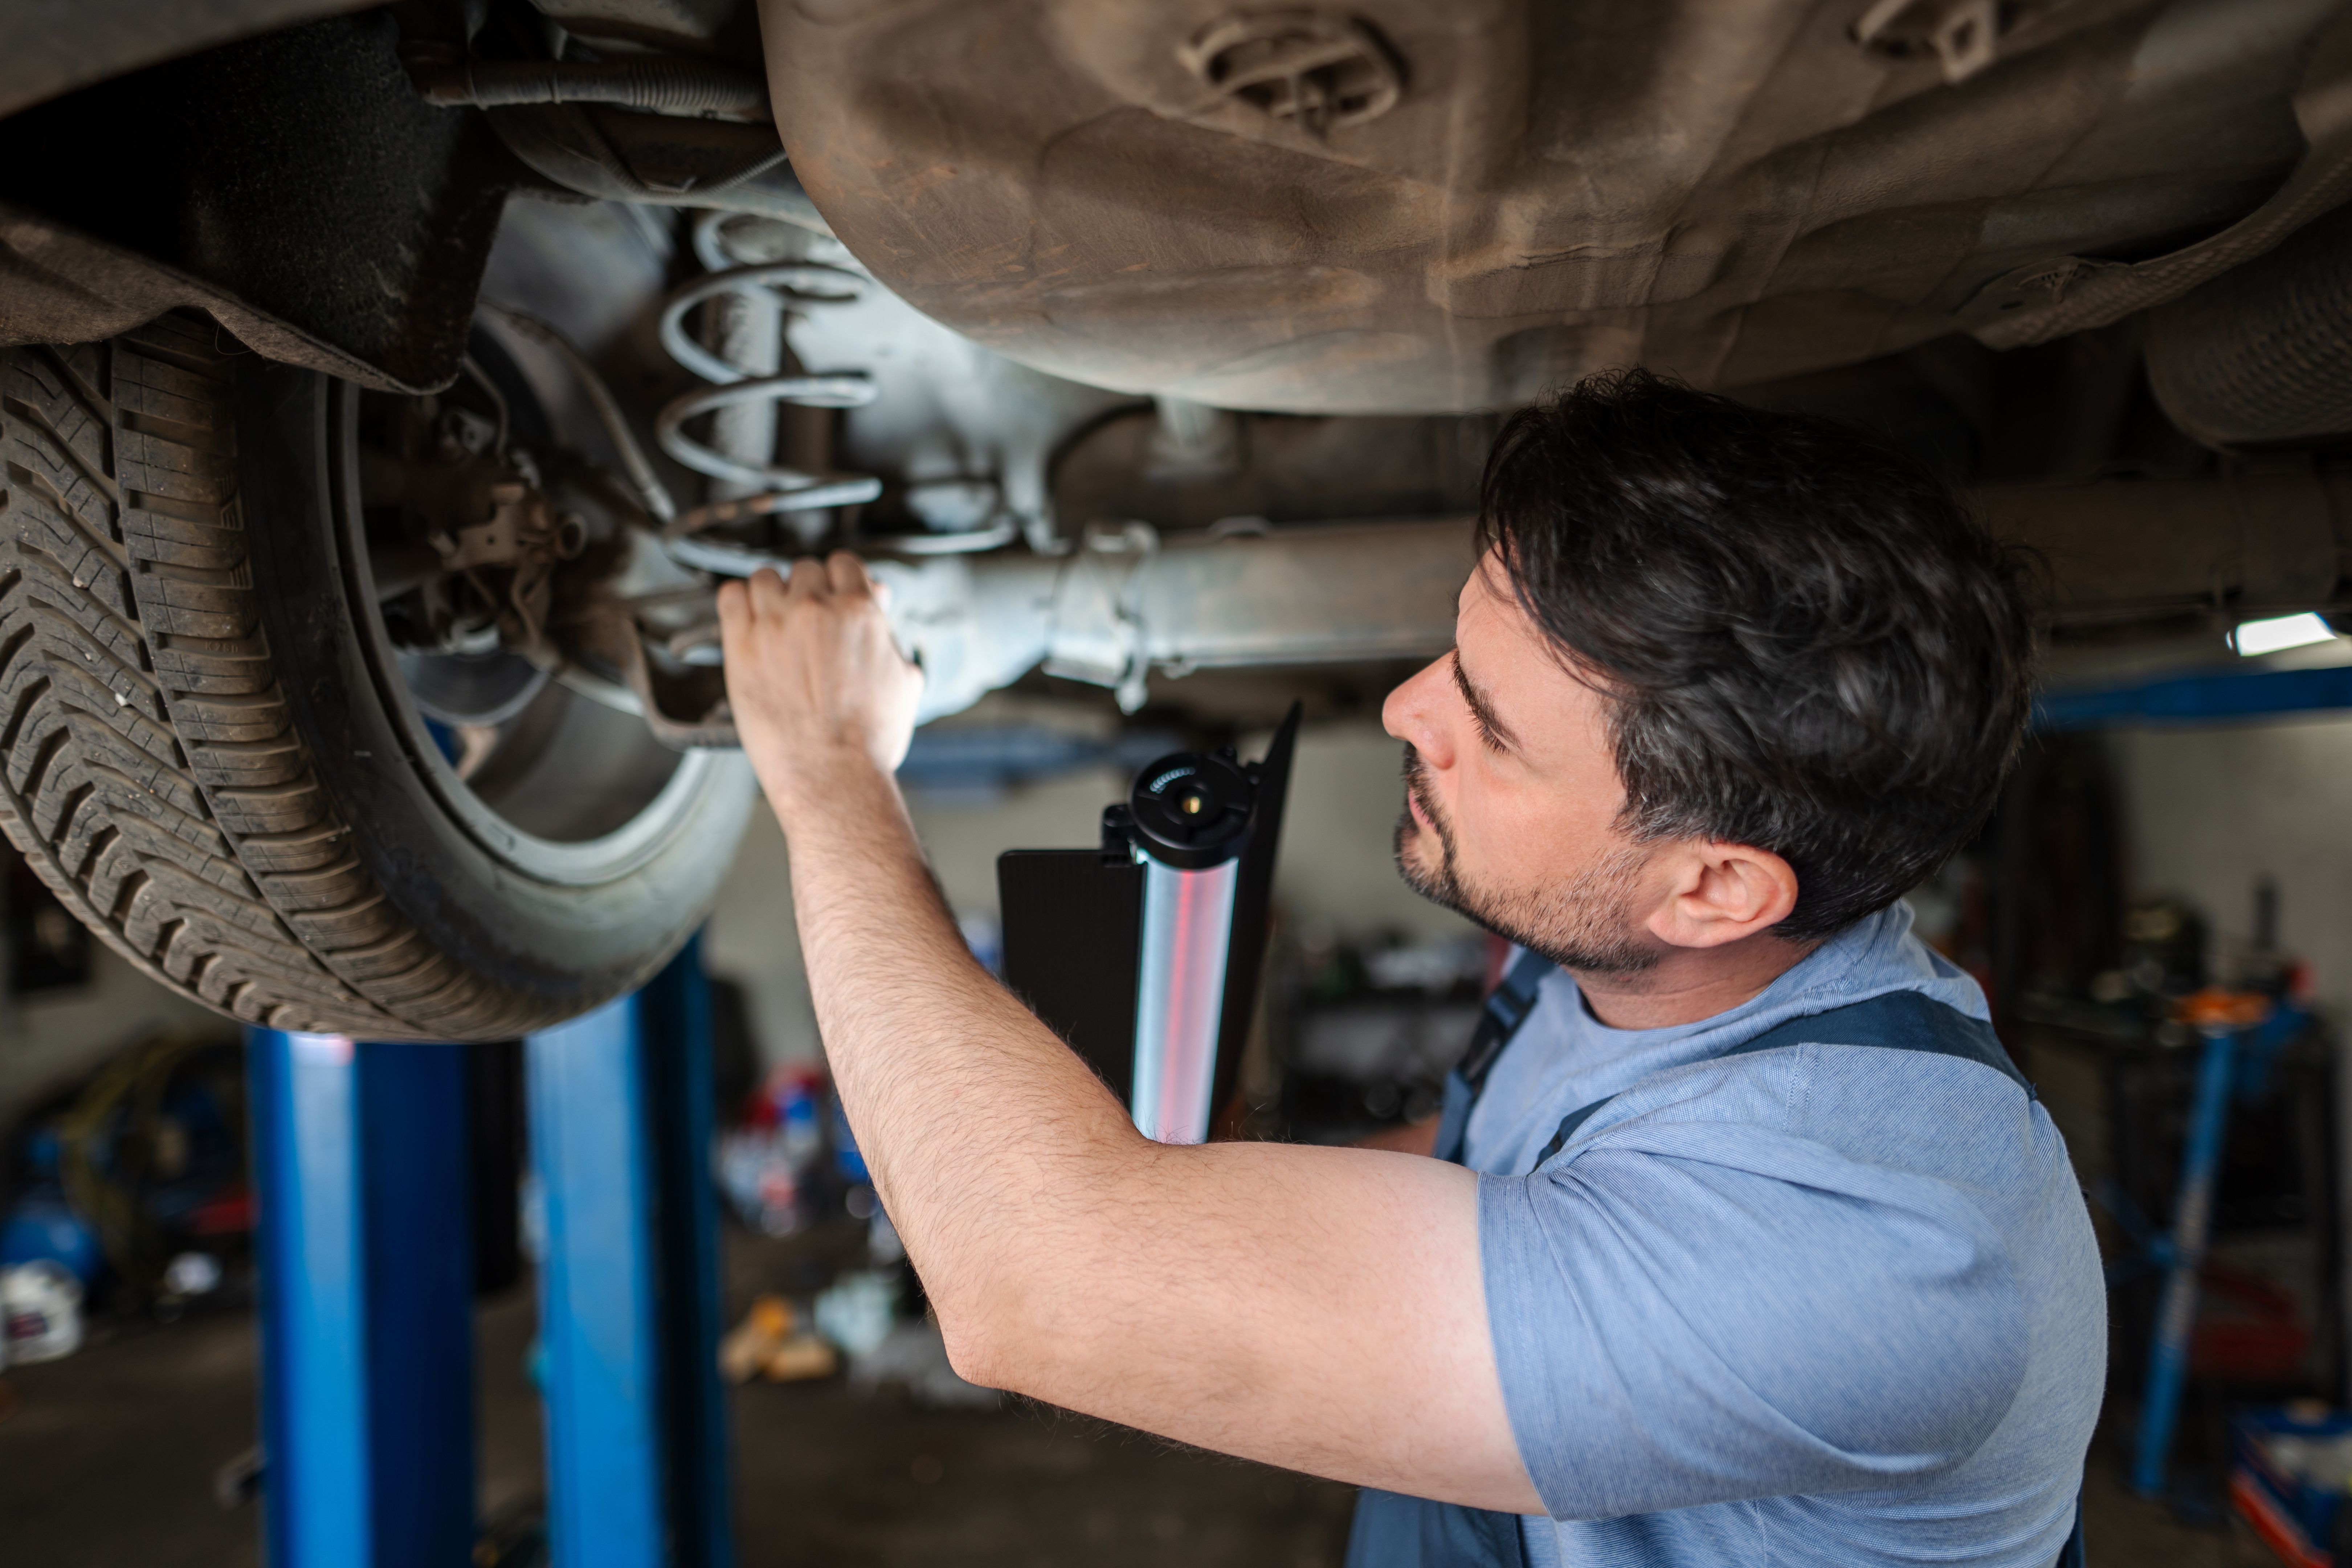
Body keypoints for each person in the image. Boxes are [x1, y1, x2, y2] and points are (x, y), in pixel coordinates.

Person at [716, 368, 2103, 1567]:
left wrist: (830, 768)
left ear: (1716, 886)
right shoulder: (1651, 968)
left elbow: (1033, 1289)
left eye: (1489, 728)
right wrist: (1204, 1192)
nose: (1403, 708)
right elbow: (1486, 1158)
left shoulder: (1876, 1259)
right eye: (1455, 648)